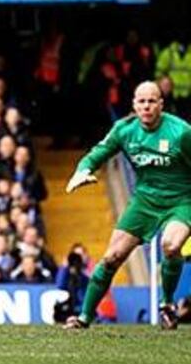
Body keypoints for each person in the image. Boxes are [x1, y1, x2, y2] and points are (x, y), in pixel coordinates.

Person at [64, 81, 191, 329]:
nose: (146, 106)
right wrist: (83, 169)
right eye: (141, 101)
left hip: (182, 199)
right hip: (144, 201)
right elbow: (99, 151)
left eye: (152, 101)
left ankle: (167, 305)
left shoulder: (182, 132)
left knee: (171, 245)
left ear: (161, 105)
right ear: (134, 104)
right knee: (112, 257)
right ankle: (84, 318)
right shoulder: (124, 130)